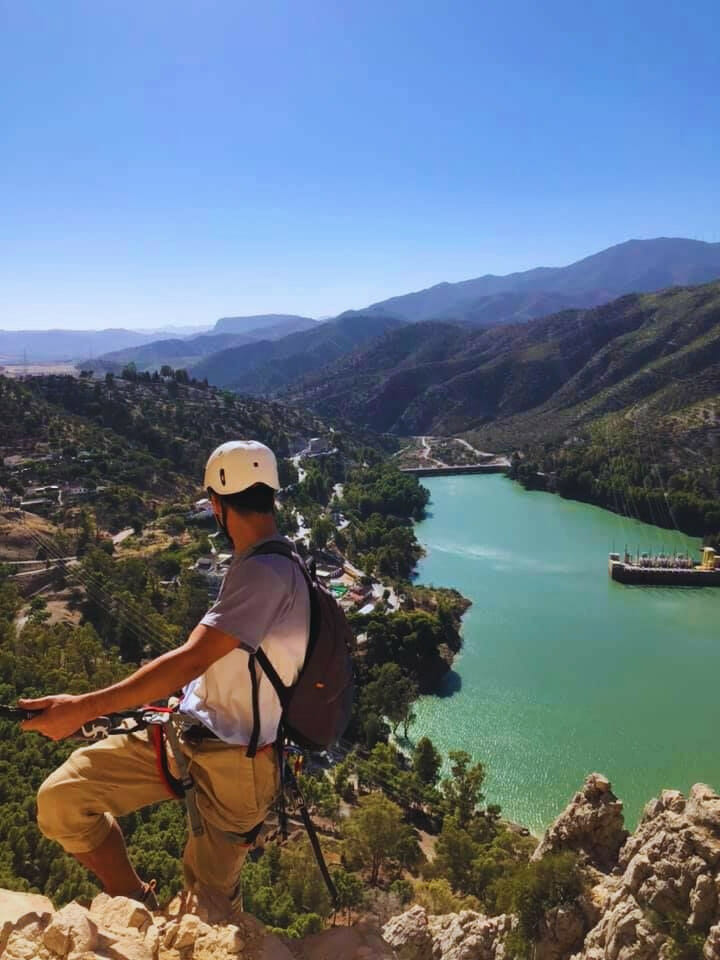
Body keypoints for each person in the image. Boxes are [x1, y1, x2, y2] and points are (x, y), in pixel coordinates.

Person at [20, 440, 310, 912]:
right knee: (62, 801)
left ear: (216, 505)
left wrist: (82, 708)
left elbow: (192, 658)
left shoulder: (267, 574)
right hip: (185, 733)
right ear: (270, 493)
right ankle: (136, 902)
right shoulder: (266, 564)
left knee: (208, 909)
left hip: (238, 763)